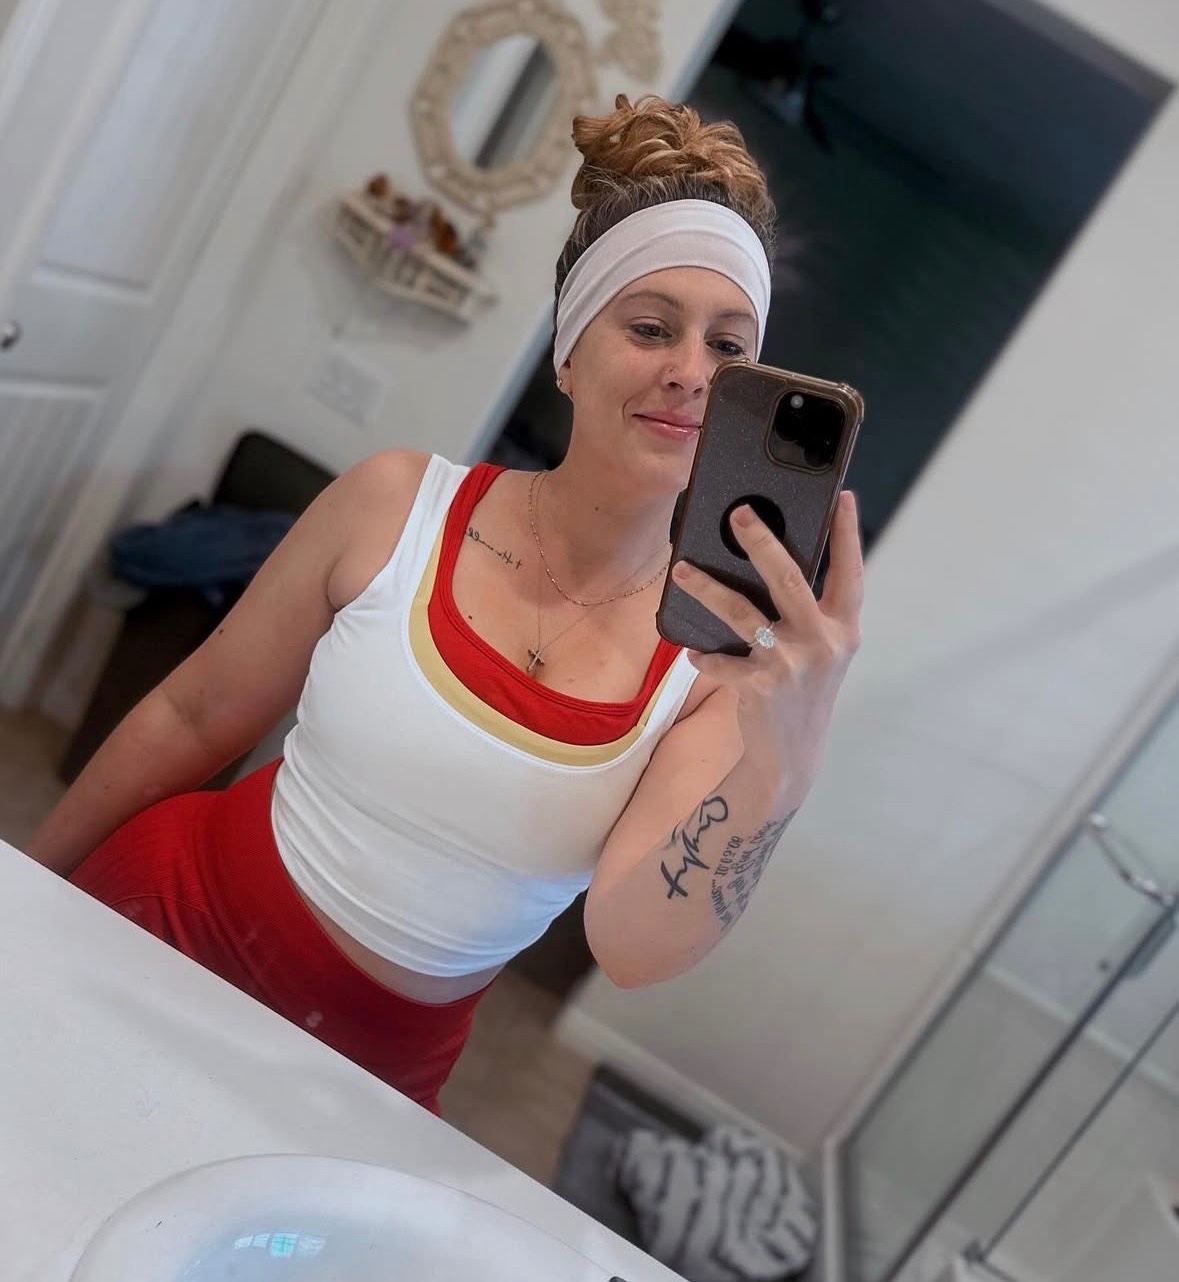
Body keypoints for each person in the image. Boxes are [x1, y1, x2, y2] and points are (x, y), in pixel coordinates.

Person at [27, 95, 862, 1115]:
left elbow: (633, 948)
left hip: (359, 1086)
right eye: (650, 328)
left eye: (730, 349)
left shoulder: (720, 668)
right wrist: (27, 891)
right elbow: (189, 714)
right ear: (569, 352)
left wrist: (787, 759)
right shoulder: (393, 503)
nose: (691, 373)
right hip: (162, 921)